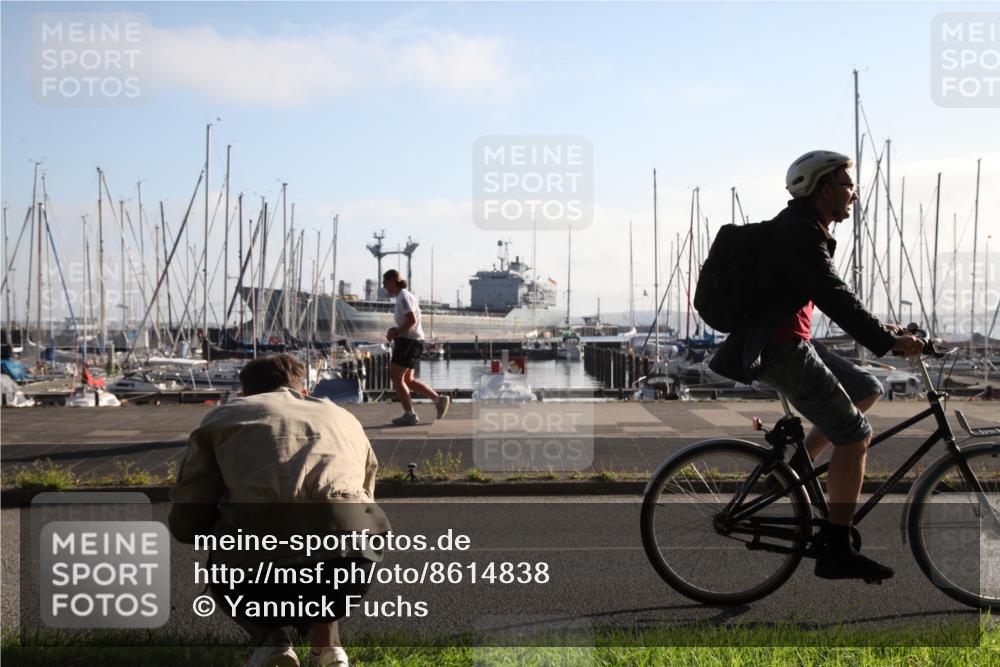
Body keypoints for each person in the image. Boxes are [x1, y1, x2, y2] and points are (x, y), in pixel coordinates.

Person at [709, 150, 925, 582]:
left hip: (792, 342)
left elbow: (833, 294)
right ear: (823, 188)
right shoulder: (800, 235)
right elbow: (833, 295)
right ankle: (837, 548)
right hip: (781, 349)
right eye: (847, 185)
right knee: (855, 435)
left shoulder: (804, 230)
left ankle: (788, 474)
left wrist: (886, 329)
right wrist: (886, 341)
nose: (854, 194)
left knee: (866, 388)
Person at [169, 354, 390, 667]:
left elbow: (188, 519)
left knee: (228, 552)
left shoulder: (223, 420)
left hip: (257, 583)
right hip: (350, 576)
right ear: (302, 388)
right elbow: (367, 497)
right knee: (332, 536)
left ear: (245, 393)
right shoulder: (344, 418)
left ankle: (270, 642)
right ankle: (328, 648)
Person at [382, 269, 450, 426]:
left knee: (396, 377)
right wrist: (397, 331)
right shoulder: (404, 296)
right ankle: (438, 400)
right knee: (408, 379)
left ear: (393, 280)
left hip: (408, 341)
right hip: (414, 341)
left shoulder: (403, 297)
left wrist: (396, 331)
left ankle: (409, 414)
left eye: (385, 282)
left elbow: (411, 319)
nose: (384, 287)